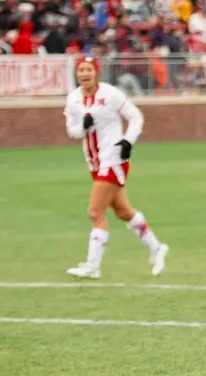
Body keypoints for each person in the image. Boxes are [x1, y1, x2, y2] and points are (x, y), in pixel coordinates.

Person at [62, 56, 169, 279]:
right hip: (94, 162)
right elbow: (72, 130)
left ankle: (93, 266)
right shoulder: (73, 99)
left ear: (96, 72)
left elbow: (136, 117)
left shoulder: (110, 94)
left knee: (95, 211)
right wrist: (83, 127)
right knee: (122, 211)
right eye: (81, 70)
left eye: (88, 70)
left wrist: (128, 141)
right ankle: (157, 248)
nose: (84, 74)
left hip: (113, 159)